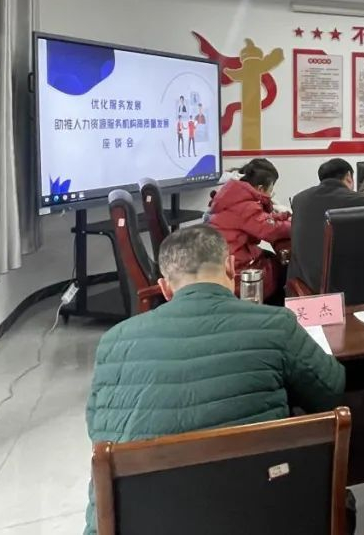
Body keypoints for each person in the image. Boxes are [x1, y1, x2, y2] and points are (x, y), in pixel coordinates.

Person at [84, 225, 344, 535]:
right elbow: (331, 390)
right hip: (264, 517)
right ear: (231, 268)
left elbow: (97, 427)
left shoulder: (113, 342)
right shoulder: (275, 324)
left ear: (165, 288)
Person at [208, 159, 292, 300]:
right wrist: (296, 224)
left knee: (272, 258)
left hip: (228, 259)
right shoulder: (245, 206)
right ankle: (277, 308)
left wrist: (283, 216)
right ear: (260, 188)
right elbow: (270, 230)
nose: (271, 194)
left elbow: (262, 219)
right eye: (271, 190)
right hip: (236, 269)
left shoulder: (234, 195)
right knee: (283, 270)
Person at [288, 158, 364, 293]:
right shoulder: (360, 201)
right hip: (342, 289)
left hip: (301, 284)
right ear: (349, 176)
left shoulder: (299, 199)